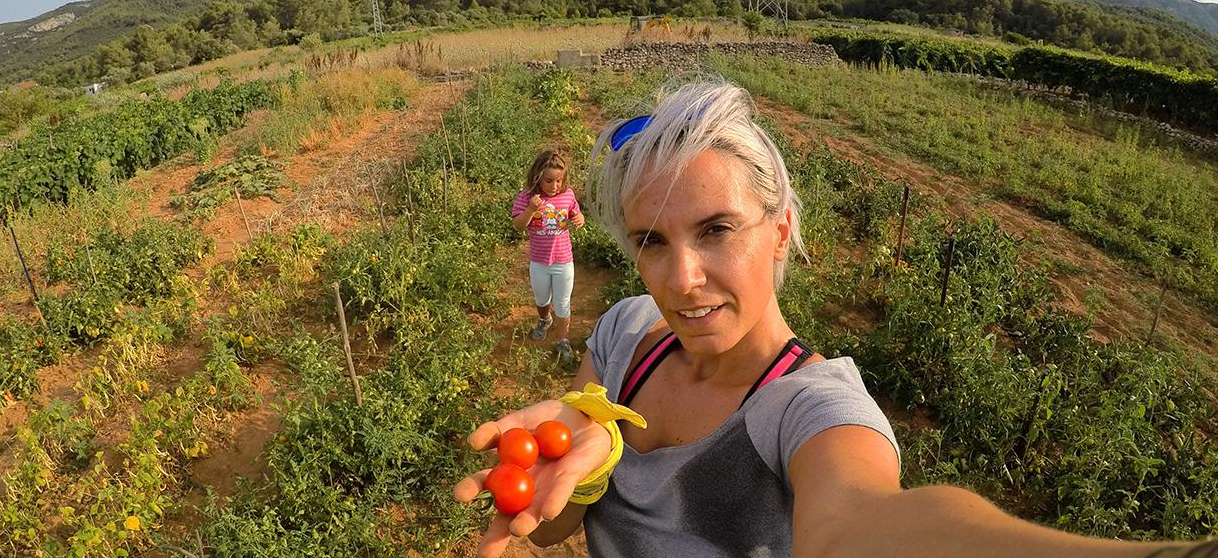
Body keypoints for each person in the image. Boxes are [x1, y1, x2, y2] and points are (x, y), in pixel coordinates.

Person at [456, 81, 1215, 558]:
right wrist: (578, 472)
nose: (681, 279)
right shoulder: (626, 333)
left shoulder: (811, 409)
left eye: (717, 230)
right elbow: (553, 525)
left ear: (780, 230)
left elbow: (862, 522)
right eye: (652, 242)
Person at [511, 148, 585, 364]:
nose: (554, 186)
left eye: (559, 181)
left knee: (563, 303)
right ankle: (544, 319)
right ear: (538, 178)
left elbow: (576, 213)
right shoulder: (527, 197)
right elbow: (518, 225)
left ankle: (562, 340)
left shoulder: (567, 195)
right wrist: (531, 209)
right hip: (539, 261)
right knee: (541, 298)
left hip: (563, 261)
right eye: (549, 181)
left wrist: (579, 218)